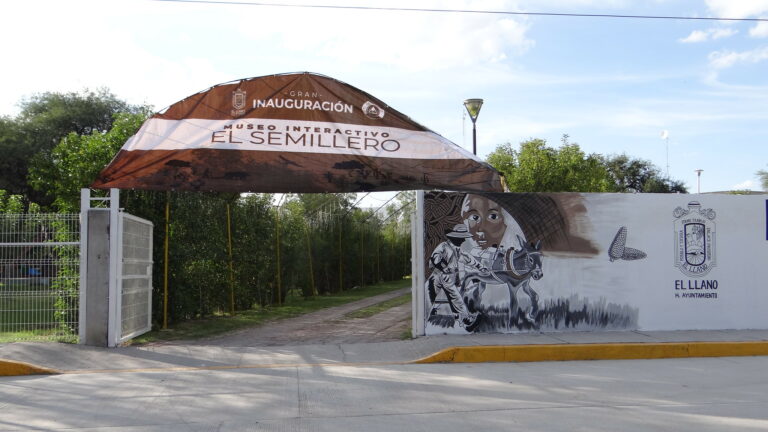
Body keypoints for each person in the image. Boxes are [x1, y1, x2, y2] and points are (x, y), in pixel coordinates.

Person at [425, 224, 483, 328]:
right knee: (435, 298)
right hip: (439, 275)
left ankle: (463, 319)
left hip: (448, 277)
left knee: (454, 298)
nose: (463, 240)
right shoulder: (444, 246)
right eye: (462, 238)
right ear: (455, 237)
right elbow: (435, 257)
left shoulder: (458, 250)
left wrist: (481, 267)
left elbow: (468, 258)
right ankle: (465, 319)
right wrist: (444, 267)